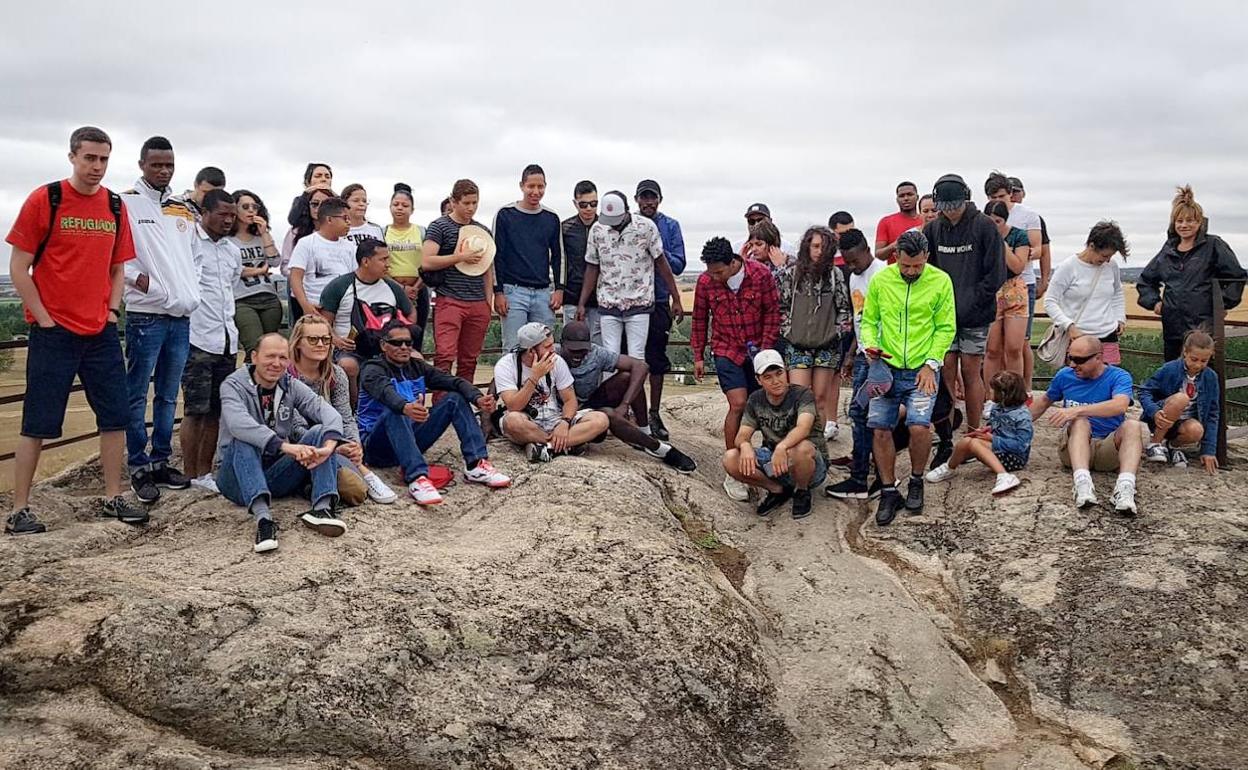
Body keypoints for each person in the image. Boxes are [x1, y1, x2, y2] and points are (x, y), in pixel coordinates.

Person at [5, 126, 145, 534]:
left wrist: (112, 313)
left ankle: (114, 495)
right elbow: (19, 266)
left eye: (103, 159)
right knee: (38, 421)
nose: (97, 167)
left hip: (99, 330)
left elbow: (118, 268)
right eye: (89, 158)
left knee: (115, 415)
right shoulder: (45, 199)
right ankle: (19, 509)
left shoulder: (115, 207)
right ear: (72, 157)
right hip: (54, 332)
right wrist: (44, 318)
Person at [216, 334, 353, 554]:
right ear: (254, 357)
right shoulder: (233, 385)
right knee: (243, 438)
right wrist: (286, 447)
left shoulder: (289, 384)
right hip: (235, 478)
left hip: (274, 472)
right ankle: (264, 521)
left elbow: (327, 412)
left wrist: (329, 447)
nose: (276, 363)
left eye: (283, 357)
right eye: (270, 356)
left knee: (319, 431)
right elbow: (238, 424)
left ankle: (322, 507)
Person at [120, 136, 200, 505]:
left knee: (169, 396)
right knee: (137, 395)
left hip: (180, 316)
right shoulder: (126, 203)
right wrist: (149, 286)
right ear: (142, 165)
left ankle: (160, 461)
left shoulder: (181, 208)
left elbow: (194, 255)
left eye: (169, 164)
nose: (164, 171)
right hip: (146, 315)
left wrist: (187, 290)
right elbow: (119, 258)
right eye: (156, 165)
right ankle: (138, 465)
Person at [859, 231, 956, 526]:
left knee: (919, 425)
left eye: (916, 266)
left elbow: (945, 327)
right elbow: (869, 321)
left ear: (926, 257)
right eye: (905, 266)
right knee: (879, 429)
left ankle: (916, 480)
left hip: (921, 369)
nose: (911, 272)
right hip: (885, 367)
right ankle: (888, 490)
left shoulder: (940, 280)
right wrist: (870, 348)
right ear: (896, 258)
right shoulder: (881, 280)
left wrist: (931, 364)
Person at [357, 319, 511, 505]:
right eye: (397, 343)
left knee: (455, 398)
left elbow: (453, 381)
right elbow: (385, 393)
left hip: (411, 439)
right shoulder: (372, 369)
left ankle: (476, 464)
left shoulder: (417, 366)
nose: (404, 347)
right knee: (395, 411)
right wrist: (405, 407)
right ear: (383, 345)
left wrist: (477, 397)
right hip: (377, 446)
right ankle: (417, 478)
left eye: (408, 342)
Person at [690, 237, 781, 501]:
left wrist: (765, 352)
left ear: (733, 263)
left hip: (759, 349)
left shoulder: (761, 275)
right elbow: (699, 318)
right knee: (738, 403)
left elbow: (772, 313)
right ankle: (734, 466)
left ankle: (767, 458)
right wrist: (698, 354)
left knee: (764, 402)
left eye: (718, 271)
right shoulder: (706, 282)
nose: (714, 277)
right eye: (710, 271)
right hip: (726, 347)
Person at [558, 320, 697, 473]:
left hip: (588, 405)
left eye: (582, 350)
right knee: (608, 414)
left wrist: (625, 404)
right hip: (563, 412)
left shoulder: (596, 353)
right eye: (573, 350)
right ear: (562, 344)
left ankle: (644, 431)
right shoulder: (551, 357)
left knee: (628, 377)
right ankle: (659, 448)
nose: (578, 355)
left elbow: (641, 366)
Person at [923, 174, 1006, 430]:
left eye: (955, 207)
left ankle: (973, 430)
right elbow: (929, 273)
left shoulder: (984, 226)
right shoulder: (932, 229)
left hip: (976, 314)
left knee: (972, 373)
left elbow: (996, 274)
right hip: (943, 317)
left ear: (966, 199)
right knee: (945, 372)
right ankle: (946, 433)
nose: (950, 213)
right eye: (945, 208)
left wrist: (972, 302)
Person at [1029, 336, 1142, 514]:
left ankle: (1125, 487)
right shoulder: (1064, 376)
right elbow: (1043, 402)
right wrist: (1012, 426)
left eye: (1079, 360)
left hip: (1107, 447)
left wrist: (1077, 410)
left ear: (1098, 357)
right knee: (1080, 422)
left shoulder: (1119, 376)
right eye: (1070, 358)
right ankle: (1082, 483)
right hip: (1074, 448)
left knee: (1133, 426)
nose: (1073, 364)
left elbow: (1120, 405)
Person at [287, 315, 392, 504]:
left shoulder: (336, 374)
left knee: (355, 490)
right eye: (313, 339)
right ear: (297, 343)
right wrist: (335, 447)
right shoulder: (286, 376)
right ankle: (362, 472)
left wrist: (353, 445)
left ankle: (320, 481)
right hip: (297, 447)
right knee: (354, 488)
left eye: (326, 339)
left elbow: (346, 416)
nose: (321, 344)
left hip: (333, 441)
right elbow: (294, 428)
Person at [1138, 185, 1246, 361]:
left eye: (1190, 221)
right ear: (1174, 223)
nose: (1184, 225)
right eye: (1179, 221)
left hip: (1202, 327)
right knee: (1174, 374)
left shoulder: (1213, 246)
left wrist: (1222, 305)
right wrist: (1155, 303)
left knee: (1202, 373)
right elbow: (1146, 281)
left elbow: (1236, 277)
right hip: (1172, 328)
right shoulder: (1168, 250)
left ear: (1199, 223)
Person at [181, 189, 243, 491]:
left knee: (217, 409)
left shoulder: (233, 251)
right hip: (197, 337)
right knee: (195, 409)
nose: (229, 220)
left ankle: (206, 473)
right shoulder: (189, 243)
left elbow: (231, 288)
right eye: (223, 214)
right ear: (204, 213)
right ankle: (189, 473)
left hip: (226, 339)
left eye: (233, 215)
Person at [577, 191, 683, 362]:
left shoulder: (646, 227)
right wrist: (582, 303)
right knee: (610, 357)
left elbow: (662, 264)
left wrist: (676, 298)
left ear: (626, 210)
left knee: (636, 356)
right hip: (608, 302)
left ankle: (633, 389)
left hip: (639, 302)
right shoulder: (597, 230)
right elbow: (592, 267)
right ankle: (612, 389)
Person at [722, 349, 828, 519]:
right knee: (730, 458)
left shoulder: (802, 394)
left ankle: (802, 490)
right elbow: (742, 434)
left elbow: (804, 427)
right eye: (767, 377)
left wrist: (782, 447)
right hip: (774, 460)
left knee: (801, 448)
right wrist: (745, 445)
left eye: (779, 373)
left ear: (785, 372)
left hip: (808, 463)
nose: (775, 381)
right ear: (758, 380)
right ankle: (776, 489)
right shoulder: (756, 399)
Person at [825, 228, 886, 500]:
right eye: (846, 262)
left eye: (853, 261)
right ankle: (864, 470)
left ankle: (864, 477)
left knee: (867, 413)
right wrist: (851, 353)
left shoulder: (882, 275)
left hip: (881, 356)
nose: (850, 267)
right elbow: (859, 318)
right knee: (860, 414)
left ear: (866, 251)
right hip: (862, 352)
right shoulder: (855, 277)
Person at [317, 237, 415, 403]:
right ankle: (355, 410)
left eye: (388, 259)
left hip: (387, 349)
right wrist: (337, 340)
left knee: (417, 359)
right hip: (349, 349)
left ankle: (408, 405)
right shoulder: (340, 286)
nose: (388, 264)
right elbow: (323, 322)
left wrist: (401, 338)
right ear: (366, 261)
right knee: (348, 366)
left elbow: (410, 314)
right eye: (383, 259)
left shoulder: (392, 287)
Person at [776, 225, 851, 442]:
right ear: (807, 246)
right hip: (797, 344)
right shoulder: (792, 274)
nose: (819, 251)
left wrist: (836, 333)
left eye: (824, 247)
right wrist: (788, 332)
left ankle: (816, 444)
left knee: (819, 397)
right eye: (816, 246)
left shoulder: (835, 275)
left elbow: (844, 308)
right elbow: (782, 306)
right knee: (799, 395)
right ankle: (798, 440)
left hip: (826, 345)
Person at [494, 322, 609, 462]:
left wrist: (565, 422)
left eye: (552, 344)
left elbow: (570, 400)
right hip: (527, 421)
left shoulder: (556, 361)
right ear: (531, 351)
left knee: (600, 420)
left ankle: (548, 447)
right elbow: (513, 406)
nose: (554, 350)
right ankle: (567, 445)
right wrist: (534, 377)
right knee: (513, 422)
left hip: (554, 417)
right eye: (548, 347)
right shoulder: (506, 365)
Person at [421, 179, 495, 386]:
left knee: (469, 359)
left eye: (474, 203)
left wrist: (488, 301)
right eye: (466, 203)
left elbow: (488, 268)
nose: (471, 208)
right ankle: (441, 404)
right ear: (454, 202)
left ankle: (463, 402)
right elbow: (426, 261)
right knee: (444, 355)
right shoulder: (439, 226)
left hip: (477, 301)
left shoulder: (482, 231)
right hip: (450, 299)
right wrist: (459, 257)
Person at [635, 179, 686, 442]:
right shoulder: (630, 225)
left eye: (652, 198)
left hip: (657, 301)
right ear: (636, 200)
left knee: (656, 361)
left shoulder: (670, 226)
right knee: (630, 359)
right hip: (632, 303)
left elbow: (678, 264)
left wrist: (656, 250)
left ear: (659, 200)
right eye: (644, 198)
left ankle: (654, 413)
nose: (648, 202)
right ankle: (634, 413)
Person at [493, 164, 564, 351]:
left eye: (540, 187)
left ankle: (544, 381)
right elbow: (496, 256)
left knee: (545, 348)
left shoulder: (551, 217)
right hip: (513, 292)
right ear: (522, 186)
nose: (535, 191)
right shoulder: (505, 214)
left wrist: (559, 289)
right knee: (513, 348)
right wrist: (498, 291)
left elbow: (559, 256)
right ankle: (512, 381)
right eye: (531, 186)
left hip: (542, 293)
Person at [926, 371, 1032, 495]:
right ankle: (949, 467)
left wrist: (992, 439)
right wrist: (987, 430)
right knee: (966, 441)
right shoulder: (997, 407)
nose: (989, 392)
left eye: (992, 390)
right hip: (998, 448)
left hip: (1014, 457)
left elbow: (1021, 445)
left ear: (1003, 394)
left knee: (975, 443)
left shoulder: (1022, 416)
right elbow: (995, 425)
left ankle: (1004, 475)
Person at [1043, 221, 1129, 365]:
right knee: (1077, 381)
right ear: (1091, 246)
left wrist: (1119, 317)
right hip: (1078, 336)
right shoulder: (1068, 267)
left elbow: (1117, 293)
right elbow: (1050, 301)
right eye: (1104, 255)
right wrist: (1069, 326)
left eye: (1111, 256)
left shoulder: (1111, 266)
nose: (1107, 260)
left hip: (1108, 334)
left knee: (1108, 380)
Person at [1139, 330, 1220, 473]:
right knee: (1181, 398)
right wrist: (1154, 411)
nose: (1198, 365)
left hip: (1184, 423)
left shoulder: (1211, 377)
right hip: (1161, 418)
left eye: (1204, 361)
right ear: (1185, 352)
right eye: (1194, 359)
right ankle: (1155, 443)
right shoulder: (1170, 369)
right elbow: (1144, 391)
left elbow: (1213, 413)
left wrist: (1209, 450)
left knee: (1197, 430)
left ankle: (1172, 446)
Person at [982, 200, 1032, 387]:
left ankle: (1014, 394)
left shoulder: (1018, 236)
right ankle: (991, 395)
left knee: (1013, 348)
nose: (994, 225)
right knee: (992, 349)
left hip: (1014, 290)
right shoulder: (980, 237)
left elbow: (1018, 266)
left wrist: (1001, 245)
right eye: (990, 221)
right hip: (991, 290)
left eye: (998, 221)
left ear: (1005, 220)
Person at [229, 189, 283, 359]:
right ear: (234, 210)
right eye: (245, 206)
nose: (251, 210)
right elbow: (233, 270)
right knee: (254, 347)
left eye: (255, 206)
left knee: (270, 348)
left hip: (269, 297)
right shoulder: (227, 240)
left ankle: (266, 384)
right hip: (242, 299)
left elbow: (275, 261)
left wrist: (264, 232)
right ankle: (249, 383)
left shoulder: (261, 236)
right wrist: (259, 270)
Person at [289, 197, 355, 317]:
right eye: (345, 218)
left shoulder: (350, 247)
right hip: (316, 306)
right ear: (329, 219)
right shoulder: (306, 243)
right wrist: (305, 305)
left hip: (344, 309)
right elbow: (295, 277)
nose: (349, 223)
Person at [384, 182, 430, 350]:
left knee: (416, 334)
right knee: (390, 334)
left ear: (412, 209)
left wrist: (416, 288)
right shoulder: (383, 232)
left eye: (405, 205)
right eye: (396, 204)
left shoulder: (422, 232)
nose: (400, 208)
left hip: (418, 290)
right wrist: (401, 288)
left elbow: (428, 262)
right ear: (390, 207)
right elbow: (380, 264)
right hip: (391, 289)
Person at [561, 180, 599, 339]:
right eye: (583, 204)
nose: (589, 208)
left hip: (600, 300)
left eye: (593, 203)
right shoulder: (565, 228)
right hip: (572, 298)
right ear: (575, 204)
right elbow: (558, 262)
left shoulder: (606, 227)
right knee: (572, 346)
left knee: (599, 349)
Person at [875, 182, 924, 264]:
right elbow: (879, 255)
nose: (906, 198)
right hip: (895, 274)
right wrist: (895, 245)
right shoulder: (886, 222)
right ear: (897, 200)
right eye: (901, 196)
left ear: (917, 197)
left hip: (924, 272)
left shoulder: (925, 221)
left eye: (910, 194)